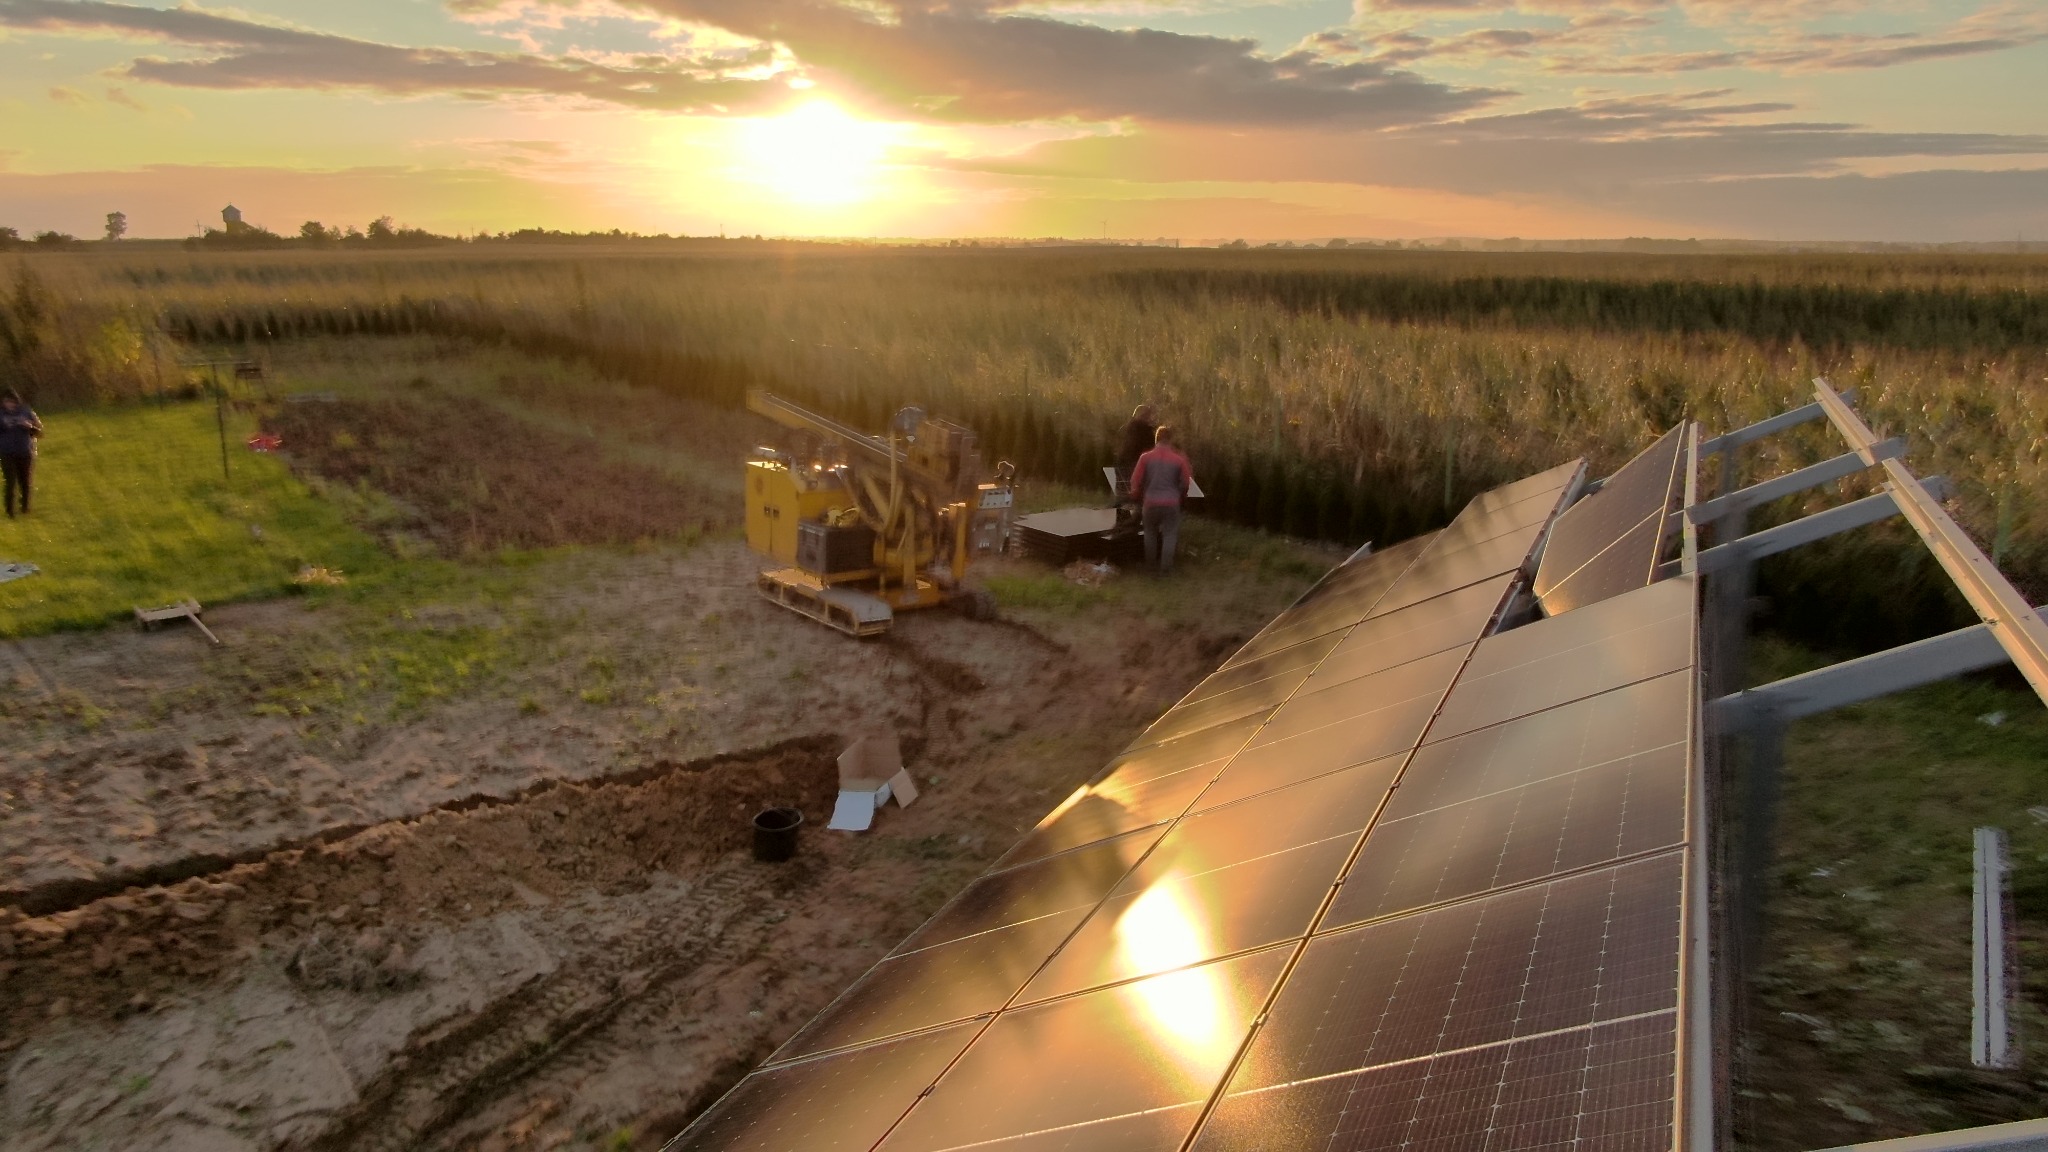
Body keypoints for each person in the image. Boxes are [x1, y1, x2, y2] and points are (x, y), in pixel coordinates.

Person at [1129, 425, 1193, 575]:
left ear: (1156, 439)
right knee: (1170, 534)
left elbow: (1135, 481)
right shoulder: (1179, 459)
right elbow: (1186, 482)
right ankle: (1166, 568)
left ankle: (1150, 566)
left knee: (1150, 533)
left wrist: (1137, 494)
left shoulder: (1145, 458)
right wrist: (1181, 495)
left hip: (1150, 503)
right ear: (1170, 440)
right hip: (1171, 503)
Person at [0, 389, 41, 519]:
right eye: (7, 402)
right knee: (10, 482)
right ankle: (10, 511)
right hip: (6, 452)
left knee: (25, 481)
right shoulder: (0, 414)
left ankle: (25, 507)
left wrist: (29, 426)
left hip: (25, 452)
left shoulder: (26, 411)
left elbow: (40, 432)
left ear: (17, 401)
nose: (10, 405)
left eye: (12, 402)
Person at [1115, 403, 1156, 479]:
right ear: (1146, 416)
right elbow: (1151, 448)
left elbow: (1117, 446)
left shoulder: (1124, 428)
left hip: (1122, 464)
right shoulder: (1147, 431)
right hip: (1139, 465)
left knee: (1123, 487)